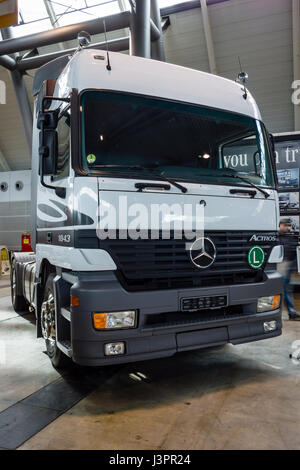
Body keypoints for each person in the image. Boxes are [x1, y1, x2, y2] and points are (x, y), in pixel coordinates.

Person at [279, 218, 300, 321]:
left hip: (287, 265)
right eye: (285, 225)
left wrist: (293, 267)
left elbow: (294, 252)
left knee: (286, 290)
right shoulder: (275, 236)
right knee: (282, 290)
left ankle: (291, 312)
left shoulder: (290, 237)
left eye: (288, 225)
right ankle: (289, 312)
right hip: (279, 265)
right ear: (280, 225)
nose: (287, 227)